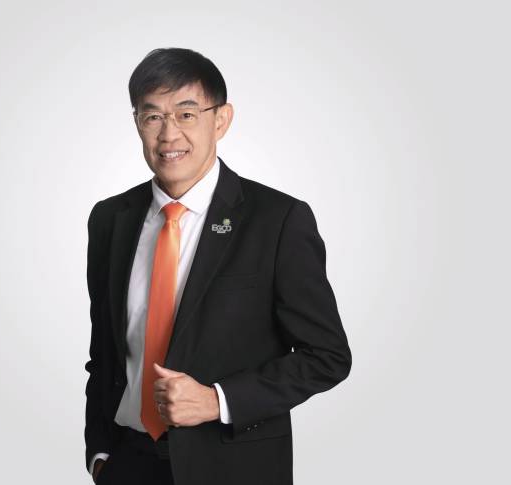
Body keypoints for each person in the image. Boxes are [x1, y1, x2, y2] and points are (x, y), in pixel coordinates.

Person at [83, 47, 352, 485]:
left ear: (221, 120)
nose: (169, 134)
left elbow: (327, 357)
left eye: (186, 114)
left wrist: (218, 400)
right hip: (128, 463)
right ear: (137, 123)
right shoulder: (111, 219)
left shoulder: (277, 220)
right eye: (153, 117)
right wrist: (99, 453)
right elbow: (105, 354)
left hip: (232, 467)